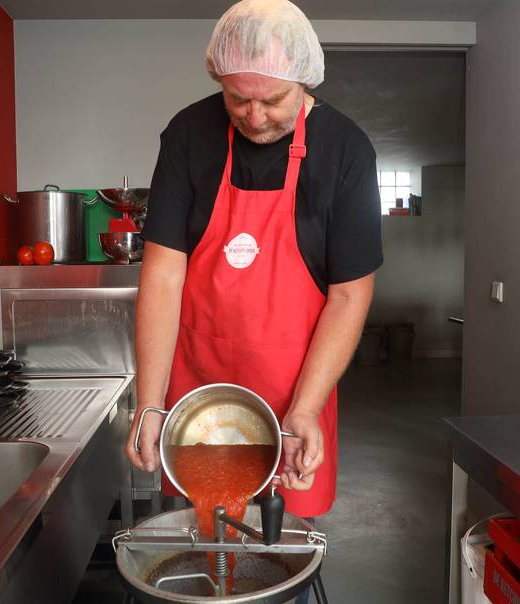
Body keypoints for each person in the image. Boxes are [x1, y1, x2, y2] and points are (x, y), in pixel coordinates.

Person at [125, 0, 381, 541]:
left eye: (273, 100)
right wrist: (149, 402)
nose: (255, 117)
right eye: (238, 99)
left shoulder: (346, 151)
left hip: (295, 396)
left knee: (282, 545)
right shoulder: (189, 135)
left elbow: (349, 296)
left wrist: (305, 410)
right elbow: (164, 275)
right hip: (199, 398)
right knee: (204, 540)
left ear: (303, 80)